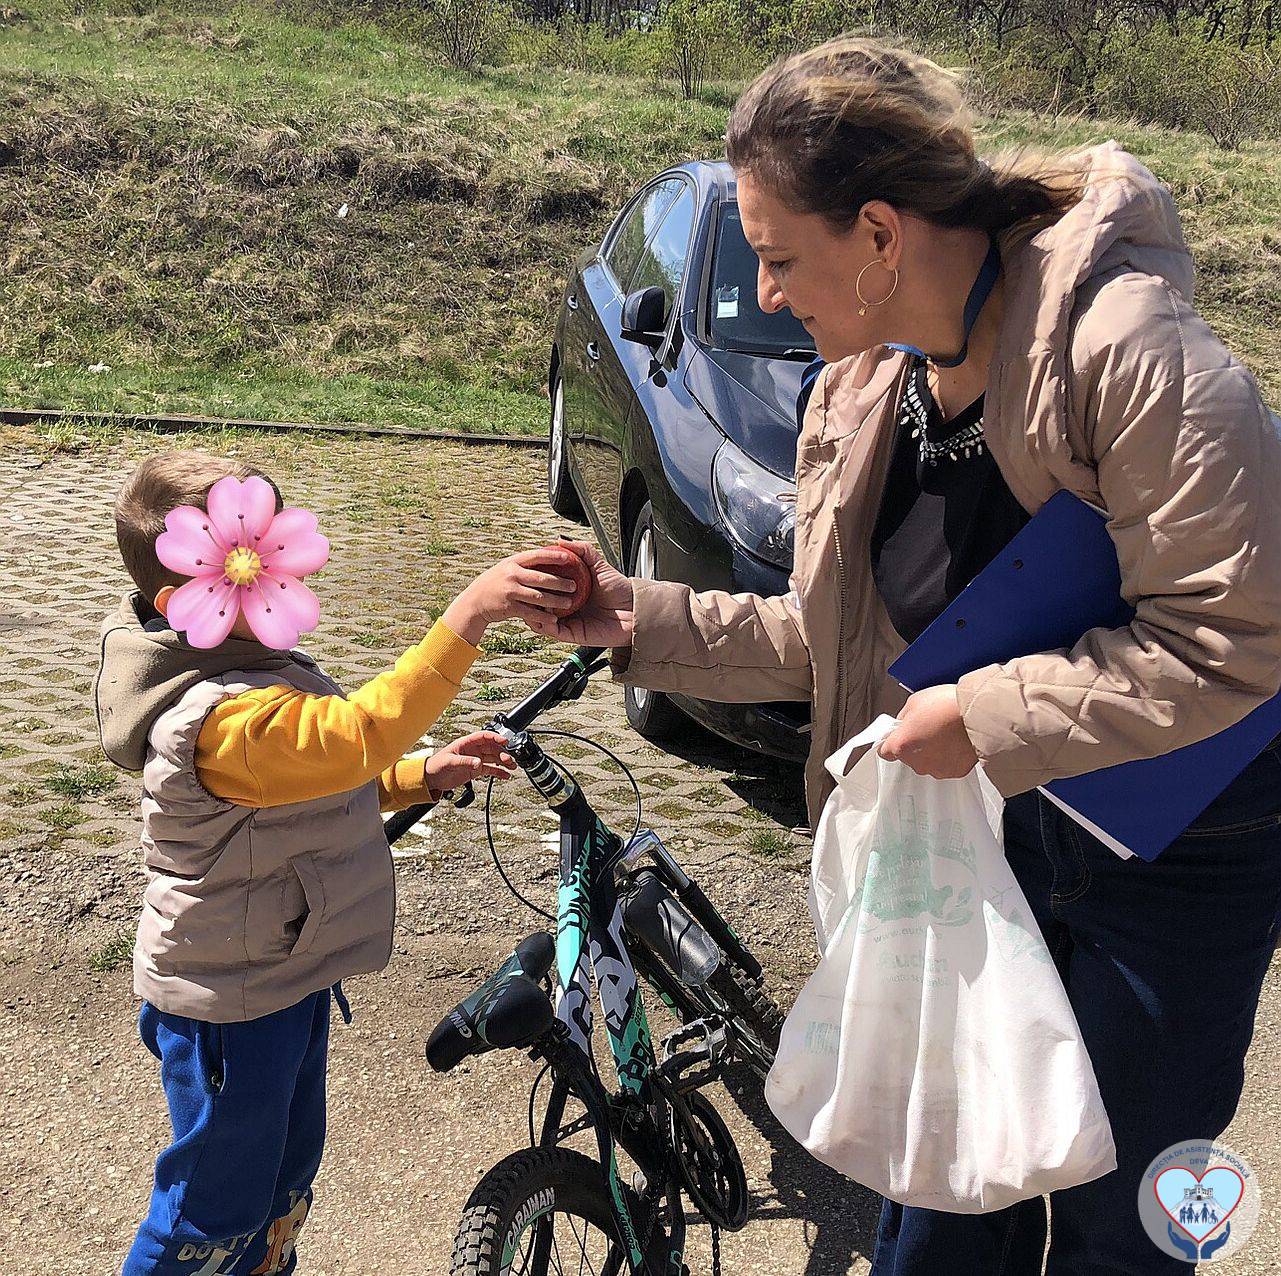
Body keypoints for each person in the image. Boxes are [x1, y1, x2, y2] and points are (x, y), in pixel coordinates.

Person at [528, 35, 1281, 1276]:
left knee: (1130, 1220)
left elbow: (1229, 642)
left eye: (779, 259)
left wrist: (980, 718)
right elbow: (831, 638)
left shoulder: (1137, 356)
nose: (769, 297)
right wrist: (639, 616)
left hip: (1182, 849)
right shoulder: (863, 388)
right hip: (985, 829)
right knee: (941, 1191)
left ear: (880, 235)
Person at [94, 450, 580, 1276]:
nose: (279, 577)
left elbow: (310, 785)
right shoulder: (220, 717)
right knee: (211, 1213)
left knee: (282, 1185)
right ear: (186, 600)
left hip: (281, 977)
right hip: (231, 1004)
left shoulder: (243, 674)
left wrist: (421, 776)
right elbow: (350, 739)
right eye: (250, 568)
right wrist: (468, 614)